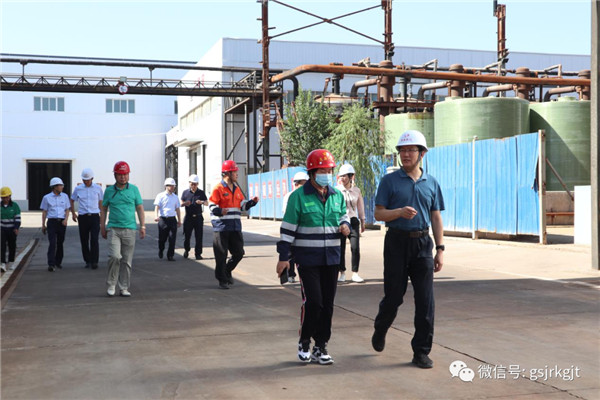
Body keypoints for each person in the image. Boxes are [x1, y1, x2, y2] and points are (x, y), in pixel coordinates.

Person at [370, 130, 445, 369]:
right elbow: (378, 213)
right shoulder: (389, 181)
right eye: (402, 151)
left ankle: (421, 351)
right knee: (394, 296)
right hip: (396, 243)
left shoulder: (431, 183)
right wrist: (399, 212)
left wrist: (440, 248)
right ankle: (381, 327)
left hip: (422, 244)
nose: (406, 155)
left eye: (411, 150)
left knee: (425, 301)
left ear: (422, 154)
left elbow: (436, 217)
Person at [276, 149, 351, 365]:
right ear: (312, 172)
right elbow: (287, 230)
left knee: (328, 304)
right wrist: (284, 257)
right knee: (314, 302)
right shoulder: (298, 197)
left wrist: (345, 225)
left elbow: (343, 215)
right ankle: (304, 342)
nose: (327, 174)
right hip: (308, 259)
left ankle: (321, 346)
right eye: (322, 171)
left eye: (329, 170)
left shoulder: (336, 195)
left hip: (331, 258)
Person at [209, 160, 259, 289]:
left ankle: (226, 270)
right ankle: (222, 280)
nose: (237, 174)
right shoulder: (218, 188)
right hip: (221, 227)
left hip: (235, 227)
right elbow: (212, 205)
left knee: (239, 253)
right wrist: (219, 211)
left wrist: (252, 203)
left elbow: (242, 205)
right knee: (221, 255)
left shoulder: (237, 189)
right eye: (235, 172)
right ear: (227, 173)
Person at [101, 161, 146, 297]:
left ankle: (124, 287)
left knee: (126, 260)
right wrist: (102, 226)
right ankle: (111, 284)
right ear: (115, 175)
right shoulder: (109, 191)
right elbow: (104, 209)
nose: (123, 177)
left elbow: (140, 208)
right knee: (115, 256)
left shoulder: (134, 190)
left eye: (125, 174)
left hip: (130, 229)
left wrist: (142, 226)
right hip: (113, 229)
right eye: (120, 174)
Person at [336, 163, 366, 283]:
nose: (342, 178)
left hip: (353, 221)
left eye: (345, 176)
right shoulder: (336, 191)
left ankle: (355, 273)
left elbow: (360, 206)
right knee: (341, 248)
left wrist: (362, 221)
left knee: (355, 247)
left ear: (351, 177)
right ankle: (342, 272)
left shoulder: (356, 191)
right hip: (340, 221)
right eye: (341, 176)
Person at [70, 168, 104, 269]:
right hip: (83, 217)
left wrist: (102, 215)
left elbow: (100, 202)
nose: (86, 182)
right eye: (84, 180)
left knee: (94, 239)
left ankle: (95, 261)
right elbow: (71, 200)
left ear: (92, 178)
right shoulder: (78, 189)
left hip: (94, 216)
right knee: (84, 240)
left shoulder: (98, 188)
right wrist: (73, 213)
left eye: (88, 180)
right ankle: (87, 260)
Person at [281, 170, 309, 283]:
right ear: (296, 184)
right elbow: (286, 213)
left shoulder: (308, 196)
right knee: (289, 253)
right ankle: (290, 274)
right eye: (303, 183)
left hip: (303, 229)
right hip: (291, 228)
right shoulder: (289, 196)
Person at [41, 177, 71, 272]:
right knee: (52, 243)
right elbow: (44, 211)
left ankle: (58, 262)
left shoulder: (65, 196)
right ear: (54, 187)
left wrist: (66, 220)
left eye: (62, 185)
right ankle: (51, 264)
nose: (62, 187)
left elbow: (67, 209)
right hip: (52, 222)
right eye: (60, 185)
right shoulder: (46, 198)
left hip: (62, 222)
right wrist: (43, 224)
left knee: (60, 243)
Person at [154, 178, 182, 261]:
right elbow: (157, 207)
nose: (173, 187)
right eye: (171, 186)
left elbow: (177, 209)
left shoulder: (175, 197)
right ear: (166, 186)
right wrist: (156, 216)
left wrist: (179, 220)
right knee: (162, 239)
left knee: (172, 238)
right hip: (163, 220)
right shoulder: (160, 196)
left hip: (172, 219)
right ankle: (161, 249)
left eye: (174, 186)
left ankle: (170, 255)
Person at [180, 174, 208, 260]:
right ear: (189, 183)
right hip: (188, 217)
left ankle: (198, 253)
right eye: (192, 184)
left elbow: (207, 203)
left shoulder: (201, 192)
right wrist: (185, 203)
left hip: (198, 217)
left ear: (197, 184)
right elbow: (180, 203)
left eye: (195, 184)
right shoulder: (185, 192)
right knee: (187, 235)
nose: (193, 186)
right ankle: (186, 249)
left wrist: (201, 202)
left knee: (199, 236)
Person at [1, 187, 21, 273]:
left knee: (12, 246)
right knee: (2, 246)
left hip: (12, 229)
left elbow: (17, 218)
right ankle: (2, 263)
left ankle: (11, 261)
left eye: (7, 197)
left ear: (10, 196)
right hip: (2, 229)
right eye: (3, 197)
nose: (5, 199)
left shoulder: (15, 206)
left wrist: (16, 227)